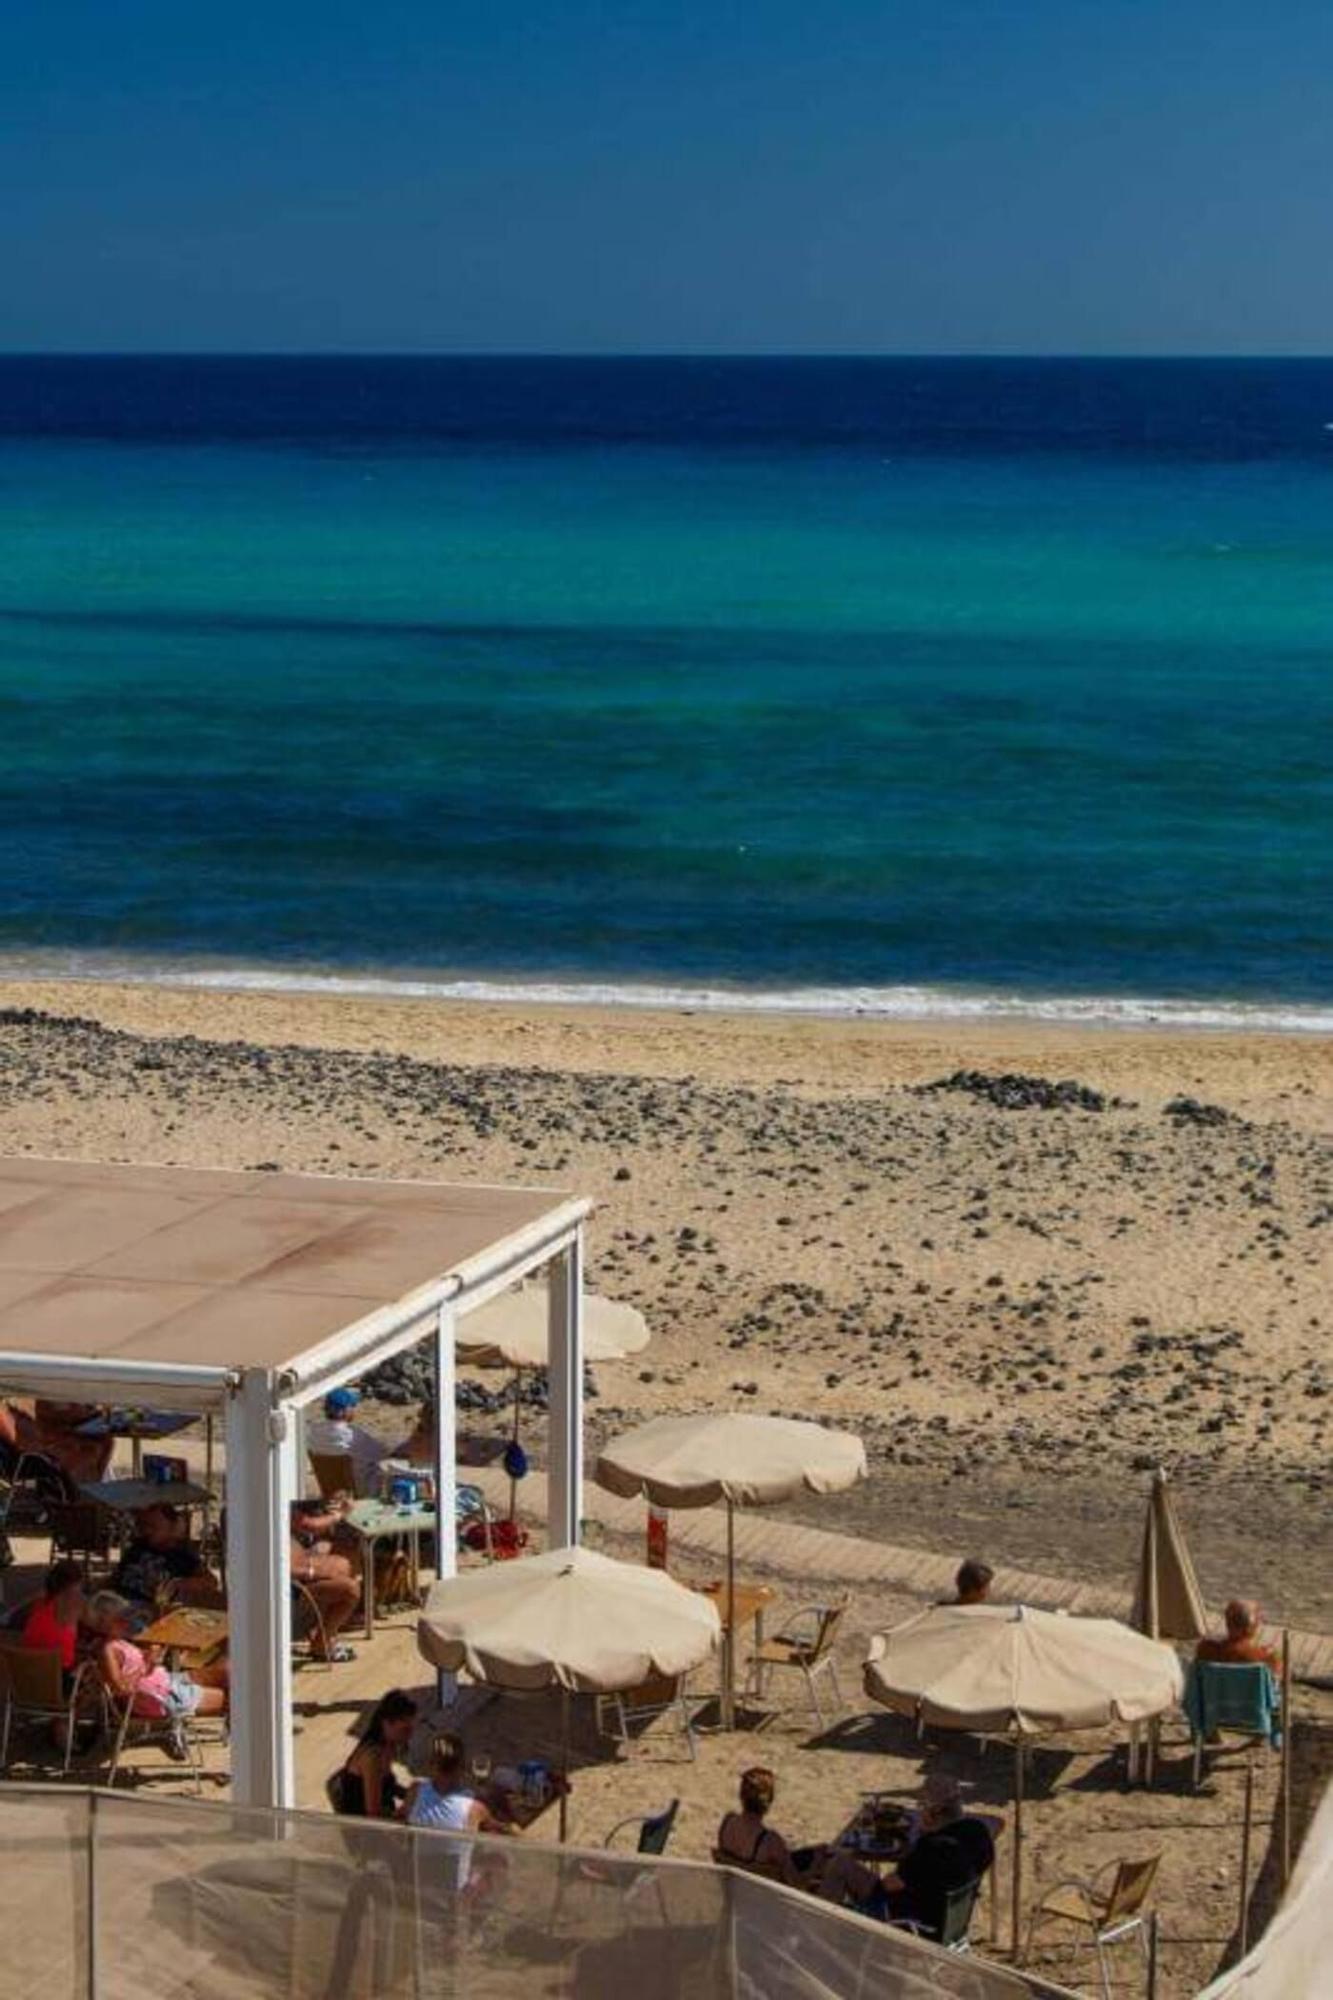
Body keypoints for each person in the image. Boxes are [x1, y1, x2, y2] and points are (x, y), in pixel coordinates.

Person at [819, 1776, 994, 1940]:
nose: (920, 1811)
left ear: (934, 1812)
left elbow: (890, 1885)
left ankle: (821, 1933)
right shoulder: (978, 1831)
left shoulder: (932, 1846)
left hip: (915, 1923)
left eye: (922, 1805)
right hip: (951, 1923)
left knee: (839, 1865)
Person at [91, 1591, 227, 1749]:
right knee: (230, 1697)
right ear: (104, 1622)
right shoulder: (107, 1649)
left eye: (126, 1616)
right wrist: (146, 1665)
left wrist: (151, 1654)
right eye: (121, 1618)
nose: (127, 1621)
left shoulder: (120, 1641)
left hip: (165, 1682)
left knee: (224, 1670)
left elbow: (139, 1663)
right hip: (161, 1698)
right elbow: (120, 1688)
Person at [714, 1767, 813, 1888]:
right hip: (764, 1899)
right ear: (769, 1801)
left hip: (735, 1891)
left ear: (741, 1796)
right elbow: (796, 1884)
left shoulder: (727, 1822)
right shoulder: (771, 1841)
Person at [290, 1497, 361, 1663]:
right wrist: (314, 1573)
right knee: (351, 1590)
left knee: (343, 1564)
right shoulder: (263, 1512)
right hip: (294, 1584)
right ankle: (322, 1644)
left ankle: (325, 1632)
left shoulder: (261, 1506)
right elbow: (308, 1525)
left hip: (300, 1565)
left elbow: (306, 1524)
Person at [112, 1504, 214, 1610]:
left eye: (154, 1526)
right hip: (115, 1606)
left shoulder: (183, 1555)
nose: (147, 1531)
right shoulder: (137, 1546)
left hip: (149, 1612)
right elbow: (116, 1577)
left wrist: (180, 1584)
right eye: (144, 1525)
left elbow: (211, 1582)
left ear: (172, 1527)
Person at [335, 1689, 417, 1819]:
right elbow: (373, 1813)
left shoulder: (387, 1747)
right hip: (363, 1830)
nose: (410, 1735)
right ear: (386, 1723)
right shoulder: (373, 1757)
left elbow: (386, 1787)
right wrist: (404, 1814)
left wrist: (417, 1795)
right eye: (405, 1730)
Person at [307, 1388, 386, 1495]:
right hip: (358, 1492)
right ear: (344, 1410)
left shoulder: (313, 1432)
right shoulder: (353, 1435)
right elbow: (381, 1453)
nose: (354, 1409)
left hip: (330, 1491)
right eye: (352, 1406)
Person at [21, 1560, 86, 1685]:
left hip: (29, 1676)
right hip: (59, 1680)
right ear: (76, 1583)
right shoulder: (74, 1603)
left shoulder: (38, 1602)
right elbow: (97, 1622)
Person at [1196, 1599, 1281, 1672]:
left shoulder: (1205, 1649)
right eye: (1258, 1621)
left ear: (1228, 1623)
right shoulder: (1267, 1656)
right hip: (1250, 1691)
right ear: (1252, 1627)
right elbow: (1277, 1680)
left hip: (1215, 1691)